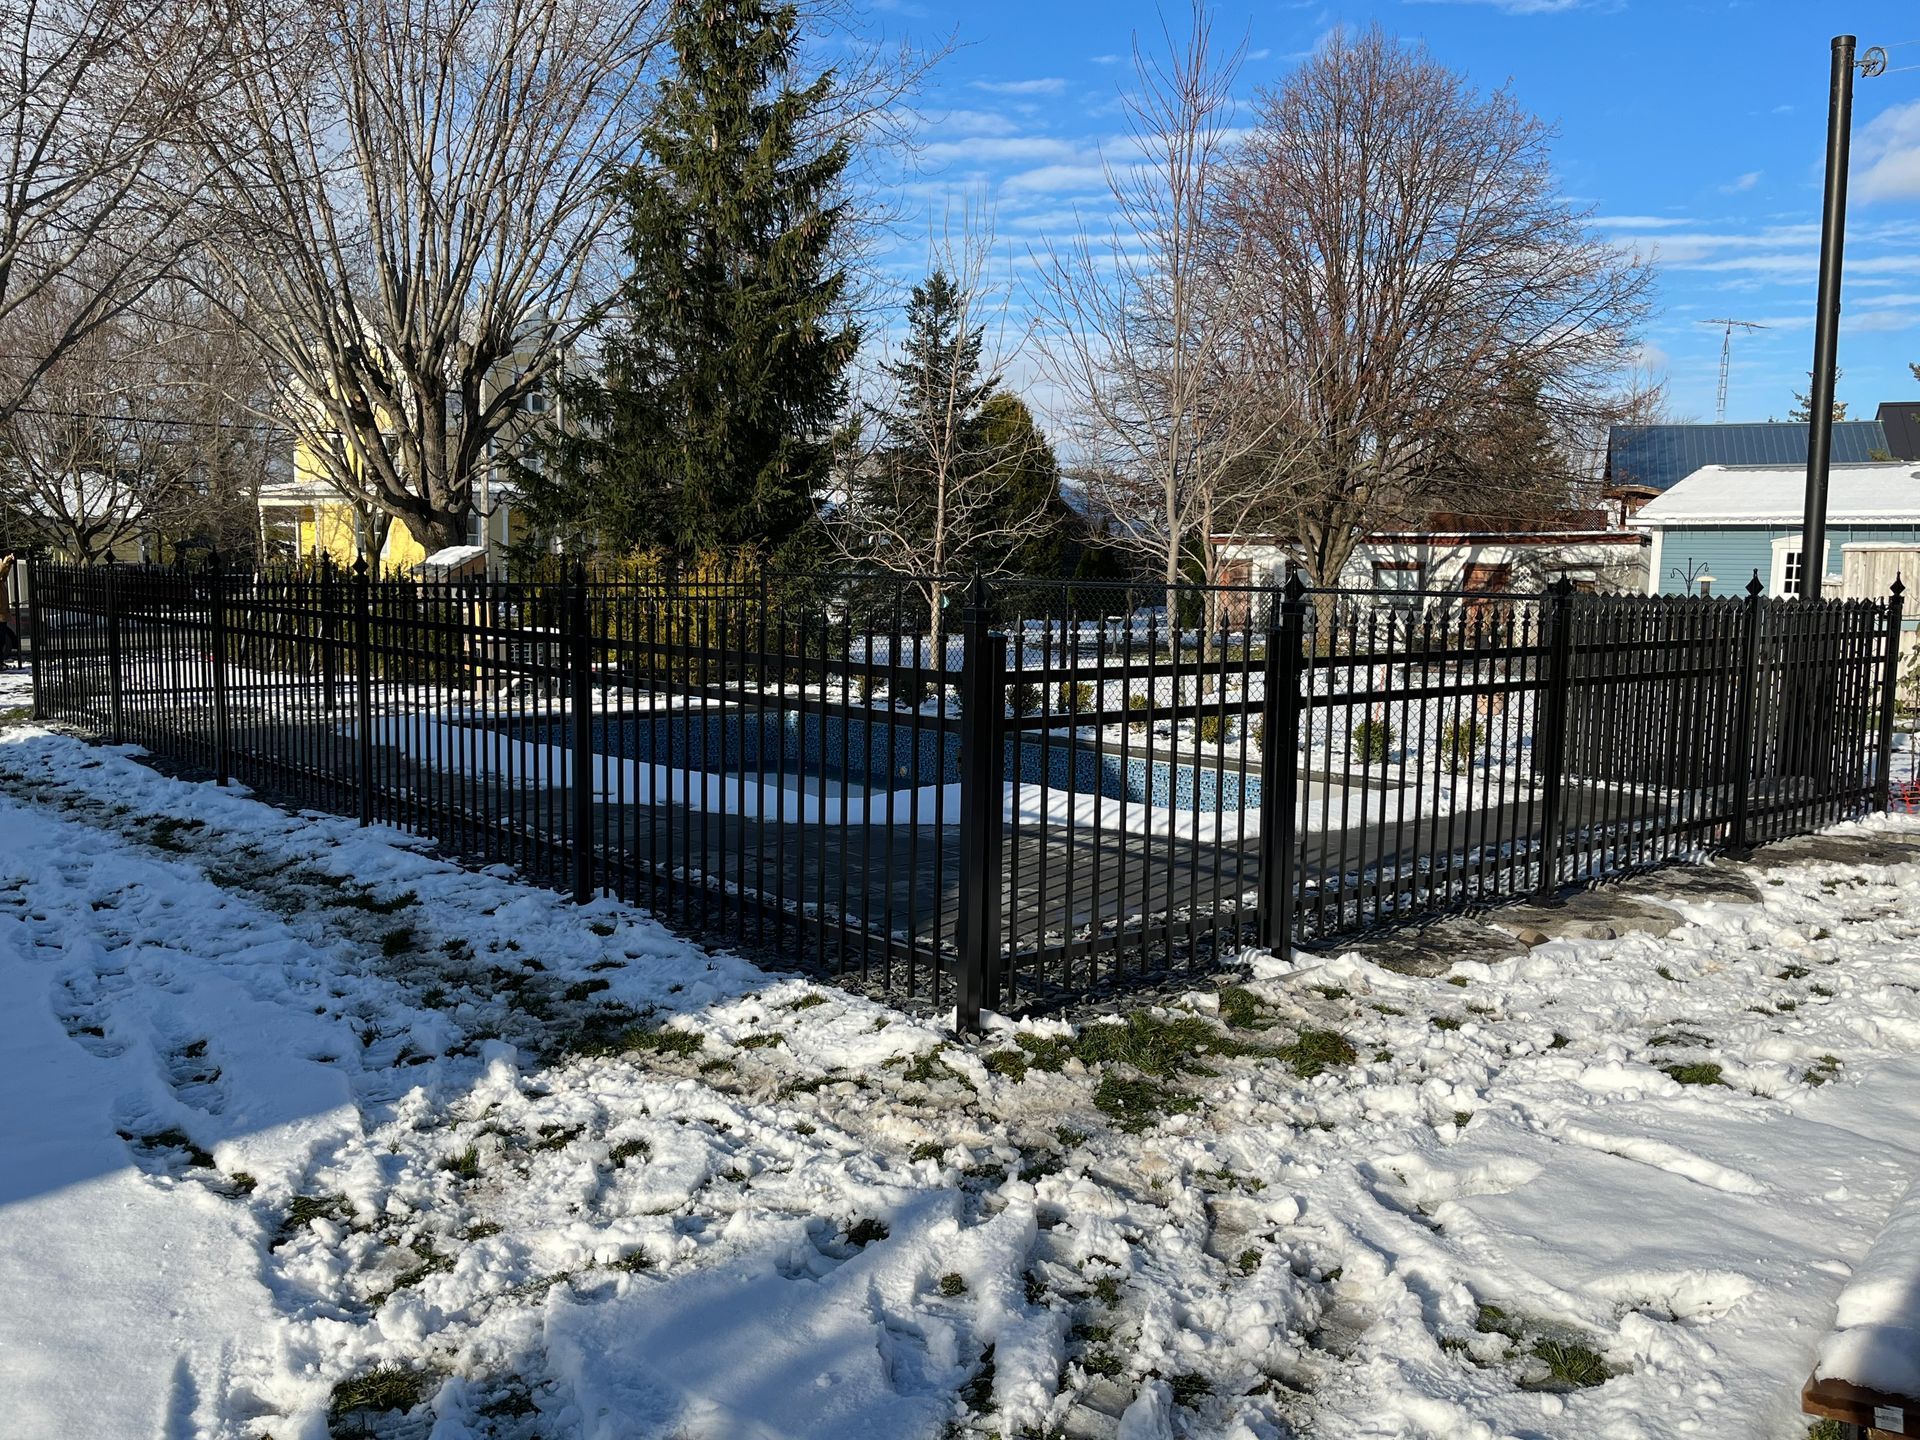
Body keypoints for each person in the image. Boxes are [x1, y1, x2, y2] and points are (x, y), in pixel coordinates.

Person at [0, 553, 19, 668]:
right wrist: (5, 562)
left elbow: (3, 574)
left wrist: (8, 563)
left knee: (1, 640)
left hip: (2, 614)